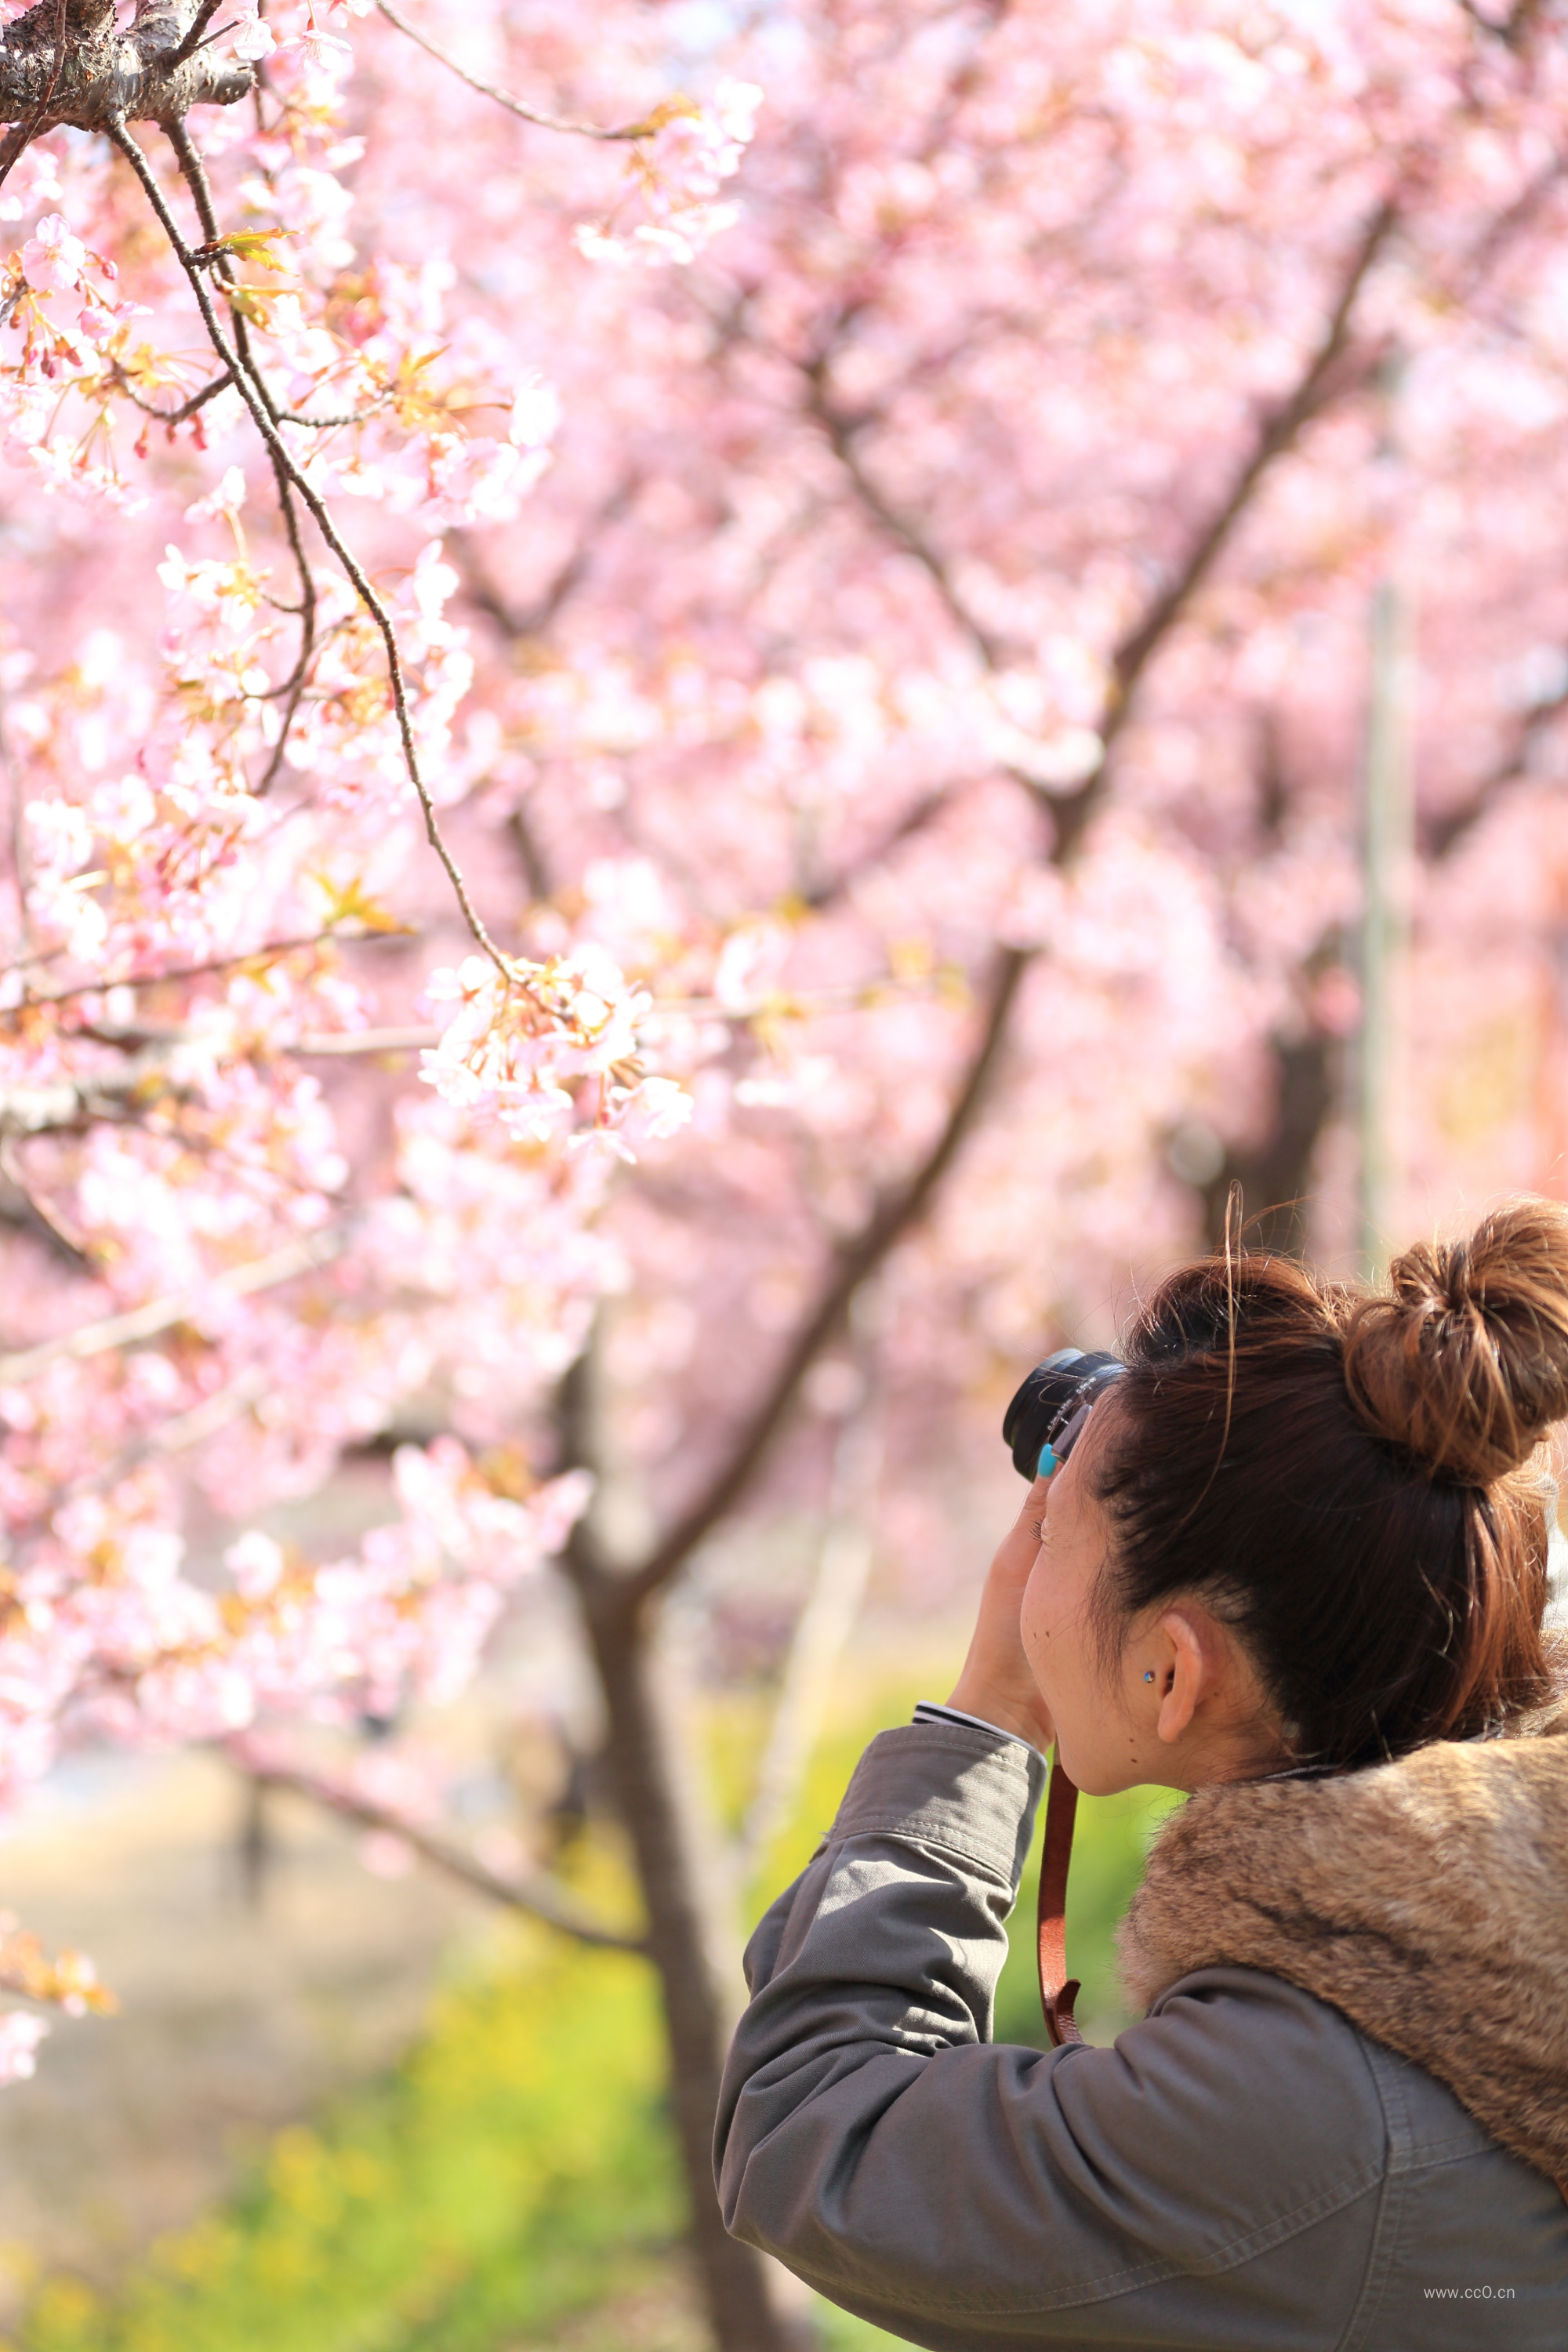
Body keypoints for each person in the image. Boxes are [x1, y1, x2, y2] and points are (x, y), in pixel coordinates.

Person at [715, 1198, 1568, 2347]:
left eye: (1051, 1532)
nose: (1025, 1564)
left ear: (1173, 1677)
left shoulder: (1304, 2107)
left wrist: (986, 1716)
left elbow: (811, 2136)